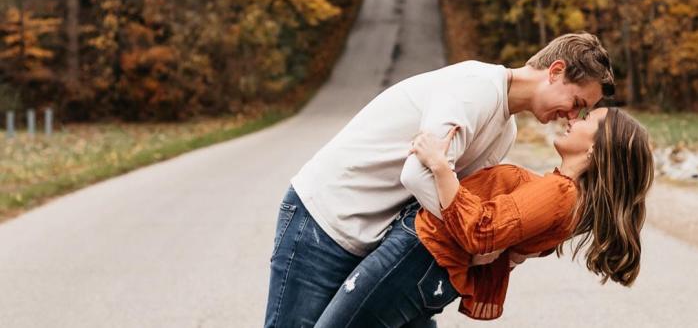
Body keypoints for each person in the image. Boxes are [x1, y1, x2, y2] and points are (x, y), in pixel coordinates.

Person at [264, 33, 615, 327]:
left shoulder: (504, 131)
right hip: (325, 218)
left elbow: (454, 198)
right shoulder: (474, 88)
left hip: (374, 234)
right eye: (576, 101)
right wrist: (478, 240)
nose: (571, 115)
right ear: (555, 71)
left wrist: (492, 241)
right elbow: (418, 174)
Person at [314, 107, 654, 326]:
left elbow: (481, 231)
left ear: (595, 148)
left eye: (586, 119)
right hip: (428, 265)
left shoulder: (560, 193)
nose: (573, 119)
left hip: (421, 257)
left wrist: (438, 164)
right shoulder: (563, 196)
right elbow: (505, 245)